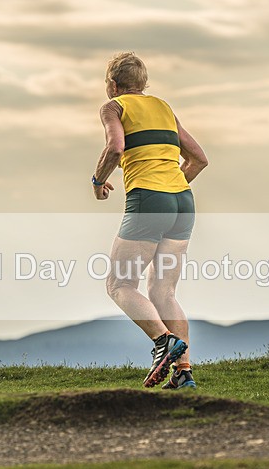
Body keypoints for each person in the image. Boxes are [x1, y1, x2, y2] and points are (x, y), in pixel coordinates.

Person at [91, 52, 208, 389]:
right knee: (163, 291)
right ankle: (183, 372)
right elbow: (199, 159)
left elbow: (115, 147)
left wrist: (98, 181)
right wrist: (171, 189)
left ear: (113, 84)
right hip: (183, 201)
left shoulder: (113, 107)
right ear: (143, 84)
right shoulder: (163, 107)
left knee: (120, 285)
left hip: (148, 200)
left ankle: (163, 341)